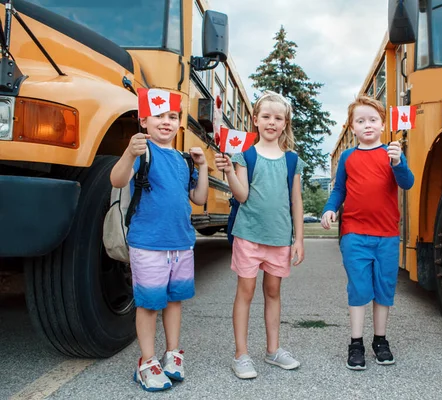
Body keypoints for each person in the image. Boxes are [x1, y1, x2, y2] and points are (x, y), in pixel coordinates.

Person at [110, 104, 209, 392]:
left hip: (181, 244)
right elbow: (116, 180)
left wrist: (202, 166)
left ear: (179, 123)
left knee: (174, 301)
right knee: (150, 304)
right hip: (149, 244)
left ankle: (172, 354)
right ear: (144, 120)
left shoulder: (182, 160)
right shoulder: (143, 153)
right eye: (159, 116)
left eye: (173, 117)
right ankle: (147, 362)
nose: (166, 122)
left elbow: (199, 197)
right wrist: (129, 152)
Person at [215, 90, 306, 379]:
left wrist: (299, 239)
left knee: (273, 292)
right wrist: (229, 171)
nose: (271, 122)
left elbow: (296, 201)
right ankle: (241, 355)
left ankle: (273, 350)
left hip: (279, 239)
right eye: (266, 116)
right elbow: (241, 196)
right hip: (248, 236)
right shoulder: (245, 156)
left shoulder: (292, 160)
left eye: (278, 118)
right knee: (246, 291)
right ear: (255, 120)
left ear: (285, 123)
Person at [321, 96, 414, 370]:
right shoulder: (349, 157)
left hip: (386, 235)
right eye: (361, 121)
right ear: (352, 127)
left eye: (373, 120)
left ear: (383, 124)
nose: (367, 125)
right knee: (360, 288)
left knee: (384, 289)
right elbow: (339, 190)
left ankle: (381, 340)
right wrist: (329, 208)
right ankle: (356, 342)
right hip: (355, 234)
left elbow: (406, 183)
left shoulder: (392, 153)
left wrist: (399, 163)